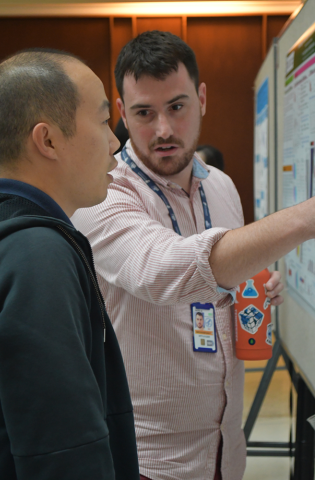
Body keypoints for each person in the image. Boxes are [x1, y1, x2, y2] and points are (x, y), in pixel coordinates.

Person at [72, 30, 315, 480]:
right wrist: (306, 219)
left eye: (177, 107)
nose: (163, 129)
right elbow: (164, 271)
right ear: (122, 112)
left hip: (225, 448)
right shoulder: (101, 194)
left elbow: (223, 272)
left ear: (202, 98)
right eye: (144, 113)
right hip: (149, 461)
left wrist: (256, 280)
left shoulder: (220, 186)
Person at [0, 49, 139, 480]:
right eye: (101, 121)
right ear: (49, 140)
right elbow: (64, 450)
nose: (115, 141)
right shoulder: (38, 256)